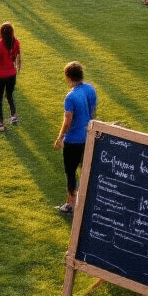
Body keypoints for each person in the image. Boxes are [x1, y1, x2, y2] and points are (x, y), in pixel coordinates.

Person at [53, 61, 97, 214]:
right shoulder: (90, 89)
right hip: (88, 136)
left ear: (69, 77)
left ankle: (70, 204)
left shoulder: (70, 97)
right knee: (85, 168)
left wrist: (60, 137)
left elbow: (68, 120)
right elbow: (93, 112)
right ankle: (87, 200)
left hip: (73, 141)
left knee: (70, 171)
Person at [0, 21, 22, 130]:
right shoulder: (15, 42)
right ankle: (13, 115)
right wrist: (17, 68)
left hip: (0, 76)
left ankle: (1, 123)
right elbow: (18, 58)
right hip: (11, 75)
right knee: (9, 95)